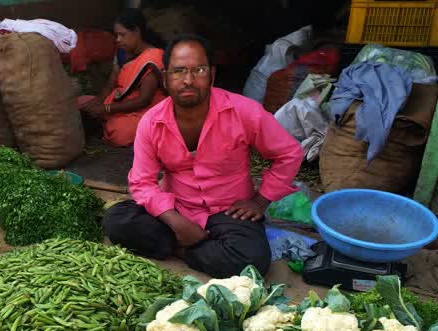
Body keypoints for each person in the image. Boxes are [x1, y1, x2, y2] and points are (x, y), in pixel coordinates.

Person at [103, 35, 303, 278]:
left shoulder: (244, 111)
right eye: (178, 71)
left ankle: (181, 249)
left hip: (229, 212)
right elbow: (142, 182)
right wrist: (176, 222)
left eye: (198, 70)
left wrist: (260, 202)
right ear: (165, 78)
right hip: (177, 207)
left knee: (253, 259)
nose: (188, 80)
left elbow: (289, 153)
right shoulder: (151, 122)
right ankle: (197, 248)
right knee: (117, 220)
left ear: (212, 75)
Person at [78, 9, 167, 147]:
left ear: (137, 32)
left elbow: (144, 100)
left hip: (143, 110)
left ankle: (104, 124)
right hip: (119, 102)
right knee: (80, 102)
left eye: (122, 35)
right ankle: (104, 122)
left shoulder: (152, 57)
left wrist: (106, 109)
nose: (118, 40)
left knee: (121, 133)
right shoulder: (122, 52)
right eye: (116, 35)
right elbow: (111, 84)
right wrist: (98, 102)